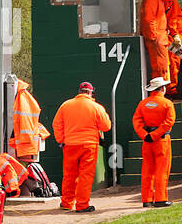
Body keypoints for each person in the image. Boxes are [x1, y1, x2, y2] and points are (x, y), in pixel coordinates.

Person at [52, 81, 112, 213]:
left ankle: (66, 203)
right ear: (91, 93)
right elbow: (106, 126)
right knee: (86, 176)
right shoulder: (96, 107)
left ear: (79, 91)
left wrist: (61, 140)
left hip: (70, 145)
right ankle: (82, 205)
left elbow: (56, 124)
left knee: (69, 175)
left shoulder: (65, 105)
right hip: (89, 146)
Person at [133, 76, 176, 207]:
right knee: (162, 170)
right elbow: (169, 122)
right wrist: (155, 135)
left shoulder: (143, 103)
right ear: (162, 88)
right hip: (161, 140)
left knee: (147, 171)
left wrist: (145, 135)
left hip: (147, 141)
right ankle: (160, 199)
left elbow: (136, 121)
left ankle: (146, 199)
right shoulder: (167, 103)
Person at [139, 0, 173, 84]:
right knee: (160, 68)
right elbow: (148, 19)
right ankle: (159, 93)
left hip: (159, 39)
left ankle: (160, 92)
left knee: (162, 67)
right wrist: (153, 37)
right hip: (157, 39)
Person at [9, 78, 49, 163]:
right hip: (26, 143)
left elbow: (25, 122)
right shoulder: (24, 97)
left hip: (24, 142)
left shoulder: (22, 98)